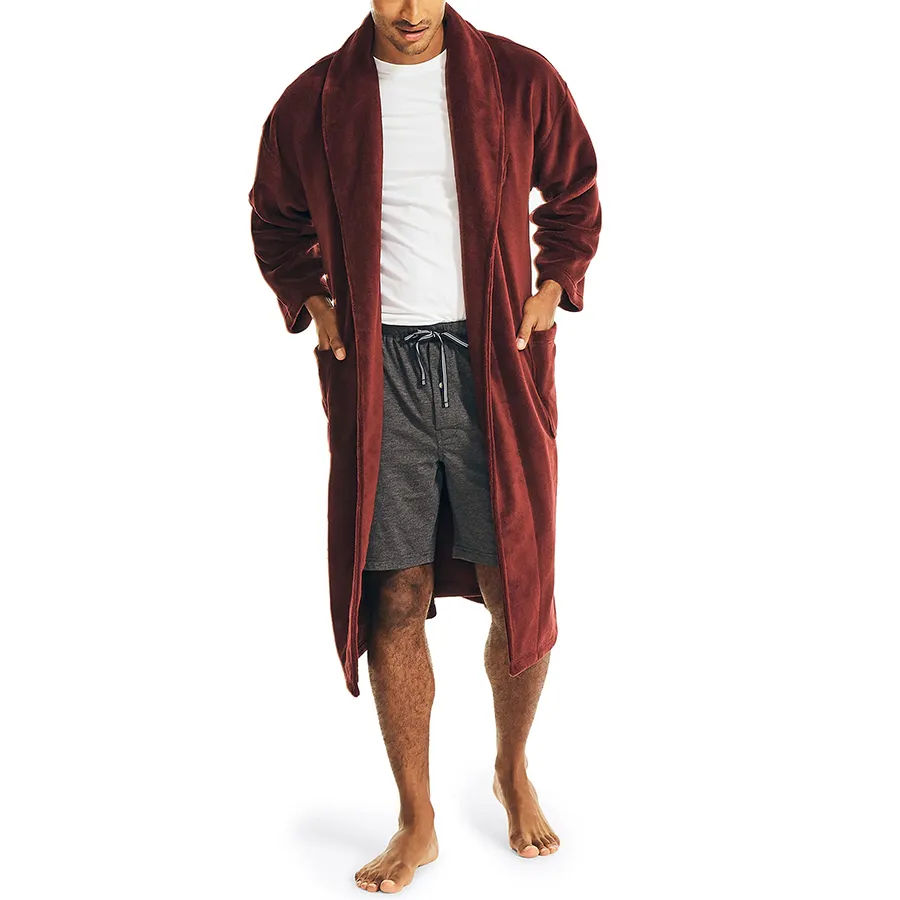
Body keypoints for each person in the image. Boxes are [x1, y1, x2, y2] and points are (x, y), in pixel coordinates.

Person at [248, 1, 601, 891]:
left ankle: (511, 769)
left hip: (497, 363)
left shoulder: (519, 79)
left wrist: (553, 285)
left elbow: (575, 192)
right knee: (393, 591)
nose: (409, 11)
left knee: (515, 584)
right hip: (381, 375)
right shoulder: (315, 101)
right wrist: (313, 300)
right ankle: (417, 817)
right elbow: (274, 220)